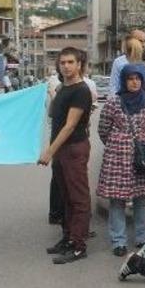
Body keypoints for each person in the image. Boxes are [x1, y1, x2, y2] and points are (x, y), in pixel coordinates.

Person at [97, 64, 145, 257]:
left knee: (141, 199)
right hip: (117, 157)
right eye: (130, 78)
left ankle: (142, 238)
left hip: (141, 156)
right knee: (117, 200)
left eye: (138, 78)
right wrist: (119, 142)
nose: (134, 82)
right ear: (124, 81)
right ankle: (119, 241)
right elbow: (103, 128)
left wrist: (142, 142)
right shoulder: (113, 102)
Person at [39, 47, 93, 265]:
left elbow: (70, 126)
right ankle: (68, 238)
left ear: (79, 64)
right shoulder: (62, 88)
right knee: (65, 196)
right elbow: (54, 116)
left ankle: (79, 245)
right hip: (61, 150)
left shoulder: (81, 90)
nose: (66, 66)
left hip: (74, 148)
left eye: (71, 62)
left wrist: (49, 151)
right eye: (63, 62)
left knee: (78, 198)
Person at [109, 29, 145, 94]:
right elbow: (114, 86)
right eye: (140, 41)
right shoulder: (119, 62)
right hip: (123, 100)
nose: (143, 45)